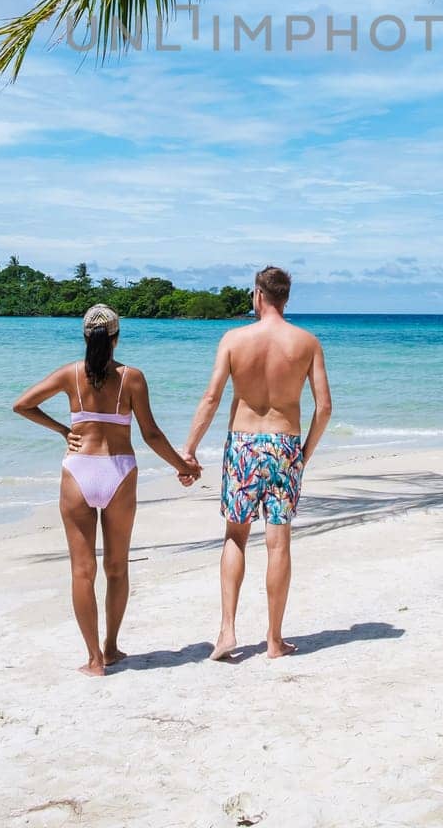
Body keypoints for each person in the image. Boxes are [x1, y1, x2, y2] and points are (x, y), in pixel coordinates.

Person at [13, 303, 199, 676]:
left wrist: (65, 431)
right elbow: (151, 434)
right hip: (118, 473)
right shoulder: (132, 377)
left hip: (78, 473)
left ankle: (94, 660)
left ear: (85, 336)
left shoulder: (70, 375)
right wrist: (183, 467)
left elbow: (23, 404)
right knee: (117, 568)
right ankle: (112, 647)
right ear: (116, 338)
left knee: (83, 571)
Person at [182, 266, 332, 661]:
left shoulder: (234, 339)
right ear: (285, 298)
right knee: (278, 542)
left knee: (235, 536)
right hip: (285, 444)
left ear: (258, 295)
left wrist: (189, 448)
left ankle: (227, 632)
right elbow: (325, 408)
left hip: (243, 445)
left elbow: (212, 398)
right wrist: (304, 454)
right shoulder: (307, 343)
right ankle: (274, 639)